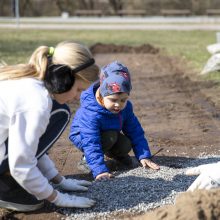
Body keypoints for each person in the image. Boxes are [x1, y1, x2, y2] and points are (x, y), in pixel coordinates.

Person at [0, 40, 100, 212]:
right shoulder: (36, 101)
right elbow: (21, 164)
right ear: (65, 77)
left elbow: (31, 147)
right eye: (78, 89)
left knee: (60, 110)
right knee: (60, 112)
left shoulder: (31, 82)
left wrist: (58, 180)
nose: (78, 97)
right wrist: (58, 197)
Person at [69, 61, 160, 181]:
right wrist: (99, 171)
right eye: (113, 100)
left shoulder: (126, 108)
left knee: (125, 144)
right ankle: (87, 160)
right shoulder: (91, 112)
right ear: (101, 94)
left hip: (109, 133)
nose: (118, 105)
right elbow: (91, 141)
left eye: (123, 100)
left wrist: (144, 156)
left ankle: (117, 156)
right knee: (109, 137)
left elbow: (135, 131)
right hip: (83, 136)